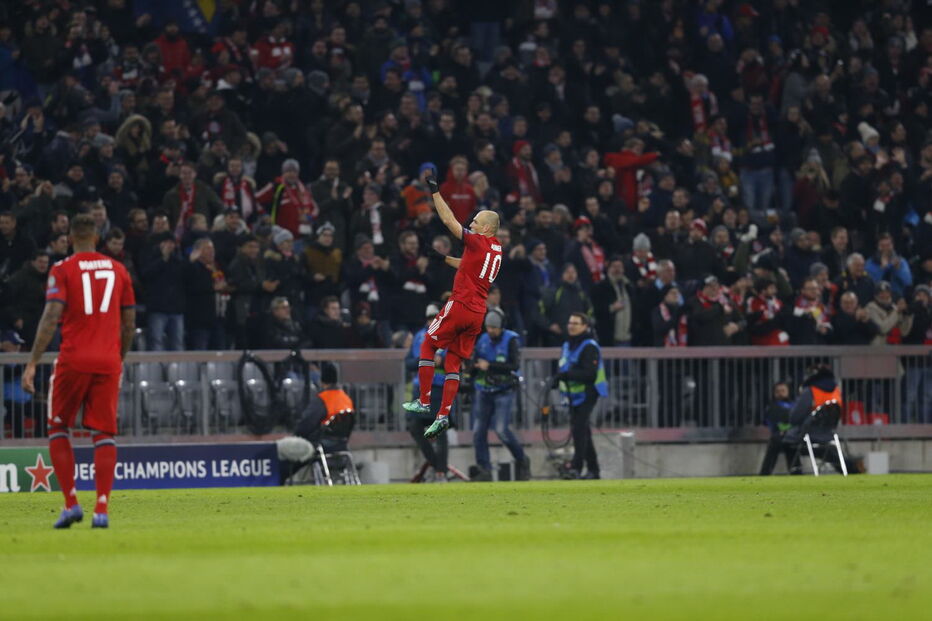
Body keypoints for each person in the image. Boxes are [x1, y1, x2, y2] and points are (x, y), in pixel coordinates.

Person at [21, 214, 136, 529]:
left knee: (59, 428)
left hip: (73, 360)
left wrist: (32, 362)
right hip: (108, 361)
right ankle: (102, 509)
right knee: (104, 433)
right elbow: (129, 324)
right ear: (97, 238)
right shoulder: (119, 270)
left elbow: (51, 315)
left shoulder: (62, 269)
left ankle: (71, 503)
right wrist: (119, 358)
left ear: (71, 238)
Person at [402, 172, 502, 440]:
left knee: (427, 344)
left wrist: (435, 191)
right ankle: (443, 415)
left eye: (477, 222)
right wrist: (443, 258)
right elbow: (469, 265)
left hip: (460, 304)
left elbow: (450, 222)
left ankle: (424, 402)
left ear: (487, 229)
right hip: (477, 312)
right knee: (454, 362)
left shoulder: (478, 241)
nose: (472, 223)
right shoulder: (495, 250)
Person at [471, 310, 529, 481]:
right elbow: (475, 361)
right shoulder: (482, 340)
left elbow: (514, 364)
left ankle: (522, 460)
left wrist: (490, 366)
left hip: (504, 389)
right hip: (484, 389)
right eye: (488, 327)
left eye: (494, 328)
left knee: (501, 430)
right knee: (478, 432)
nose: (491, 331)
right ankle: (484, 469)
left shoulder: (511, 340)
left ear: (501, 327)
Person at [552, 312, 608, 479]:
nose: (571, 326)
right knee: (583, 431)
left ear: (585, 326)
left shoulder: (589, 346)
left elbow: (590, 374)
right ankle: (593, 470)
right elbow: (564, 367)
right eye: (570, 323)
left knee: (579, 429)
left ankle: (576, 467)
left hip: (589, 392)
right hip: (573, 394)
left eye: (576, 323)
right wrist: (558, 379)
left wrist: (567, 375)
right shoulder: (568, 345)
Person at [782, 365, 863, 474]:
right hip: (828, 434)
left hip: (808, 434)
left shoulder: (811, 391)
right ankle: (851, 466)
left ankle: (795, 472)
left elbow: (794, 418)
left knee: (784, 441)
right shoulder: (836, 391)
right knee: (828, 451)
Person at [405, 303, 451, 481]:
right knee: (414, 426)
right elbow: (408, 363)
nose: (432, 320)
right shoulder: (419, 337)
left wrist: (443, 359)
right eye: (430, 317)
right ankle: (437, 465)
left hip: (440, 387)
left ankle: (441, 471)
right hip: (421, 389)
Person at [759, 382, 801, 475]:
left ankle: (796, 472)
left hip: (793, 434)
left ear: (788, 392)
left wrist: (789, 429)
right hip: (779, 434)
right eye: (778, 391)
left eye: (783, 391)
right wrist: (783, 429)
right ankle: (765, 473)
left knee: (791, 445)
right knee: (777, 440)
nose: (780, 393)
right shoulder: (771, 407)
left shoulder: (794, 405)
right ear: (774, 393)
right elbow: (769, 422)